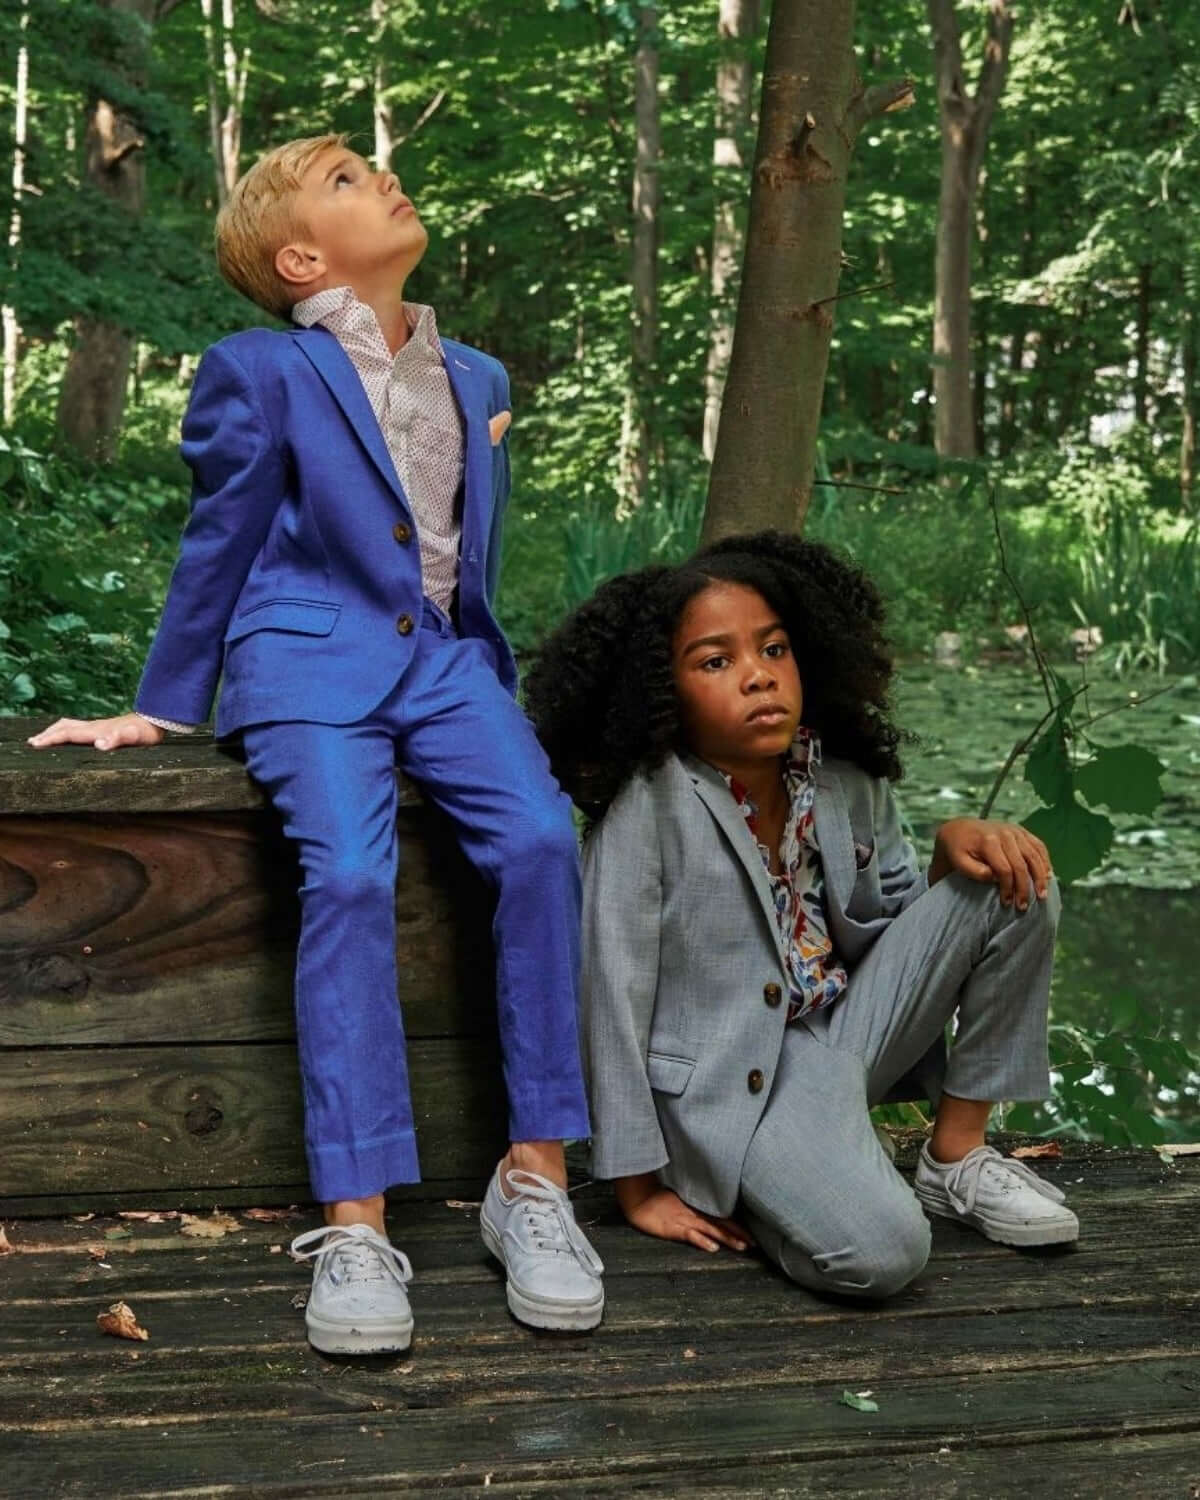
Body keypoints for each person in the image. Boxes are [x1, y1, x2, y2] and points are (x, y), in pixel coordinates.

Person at [28, 133, 603, 1351]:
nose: (383, 173)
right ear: (300, 255)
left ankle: (535, 1179)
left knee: (546, 841)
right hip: (307, 661)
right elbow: (220, 535)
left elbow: (459, 559)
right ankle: (356, 1222)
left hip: (448, 667)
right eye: (345, 178)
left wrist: (490, 676)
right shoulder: (261, 369)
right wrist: (165, 701)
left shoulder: (481, 375)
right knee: (346, 870)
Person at [525, 531, 1076, 1301]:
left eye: (773, 650)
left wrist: (952, 858)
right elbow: (609, 997)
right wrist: (637, 1185)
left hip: (849, 1031)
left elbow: (903, 939)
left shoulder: (844, 779)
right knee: (885, 1258)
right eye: (716, 662)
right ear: (662, 691)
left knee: (1018, 880)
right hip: (731, 1085)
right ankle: (785, 1186)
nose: (758, 678)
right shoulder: (646, 808)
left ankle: (954, 1160)